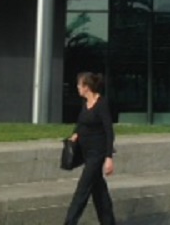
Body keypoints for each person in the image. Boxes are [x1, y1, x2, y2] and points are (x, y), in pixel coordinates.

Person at [63, 72, 116, 225]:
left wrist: (108, 158)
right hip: (86, 153)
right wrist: (75, 134)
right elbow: (80, 124)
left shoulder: (101, 104)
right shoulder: (85, 104)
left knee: (82, 190)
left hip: (97, 154)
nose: (77, 88)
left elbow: (109, 131)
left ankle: (69, 222)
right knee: (99, 192)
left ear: (86, 87)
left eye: (79, 85)